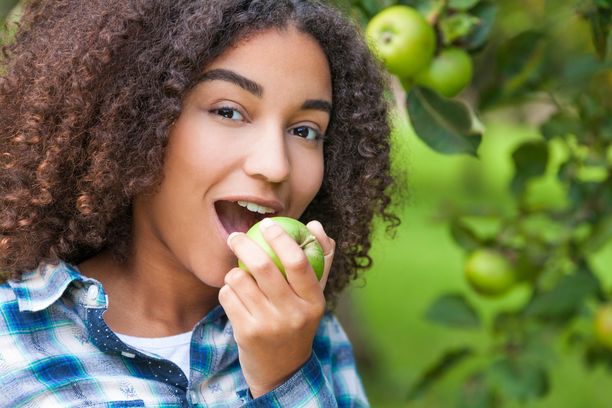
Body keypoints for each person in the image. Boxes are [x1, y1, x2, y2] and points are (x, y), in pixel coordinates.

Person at [0, 0, 400, 406]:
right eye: (229, 112)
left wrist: (286, 373)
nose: (275, 164)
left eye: (305, 130)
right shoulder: (10, 347)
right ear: (135, 122)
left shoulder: (311, 337)